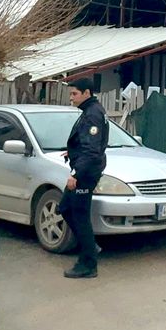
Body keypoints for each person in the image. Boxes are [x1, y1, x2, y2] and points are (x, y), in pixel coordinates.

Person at [59, 77, 108, 279]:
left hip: (86, 173)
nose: (71, 97)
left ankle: (88, 264)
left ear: (86, 93)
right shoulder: (90, 110)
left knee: (80, 215)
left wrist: (75, 174)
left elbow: (92, 151)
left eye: (74, 93)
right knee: (65, 208)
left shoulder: (92, 114)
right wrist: (72, 152)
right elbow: (87, 144)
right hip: (84, 167)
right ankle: (90, 246)